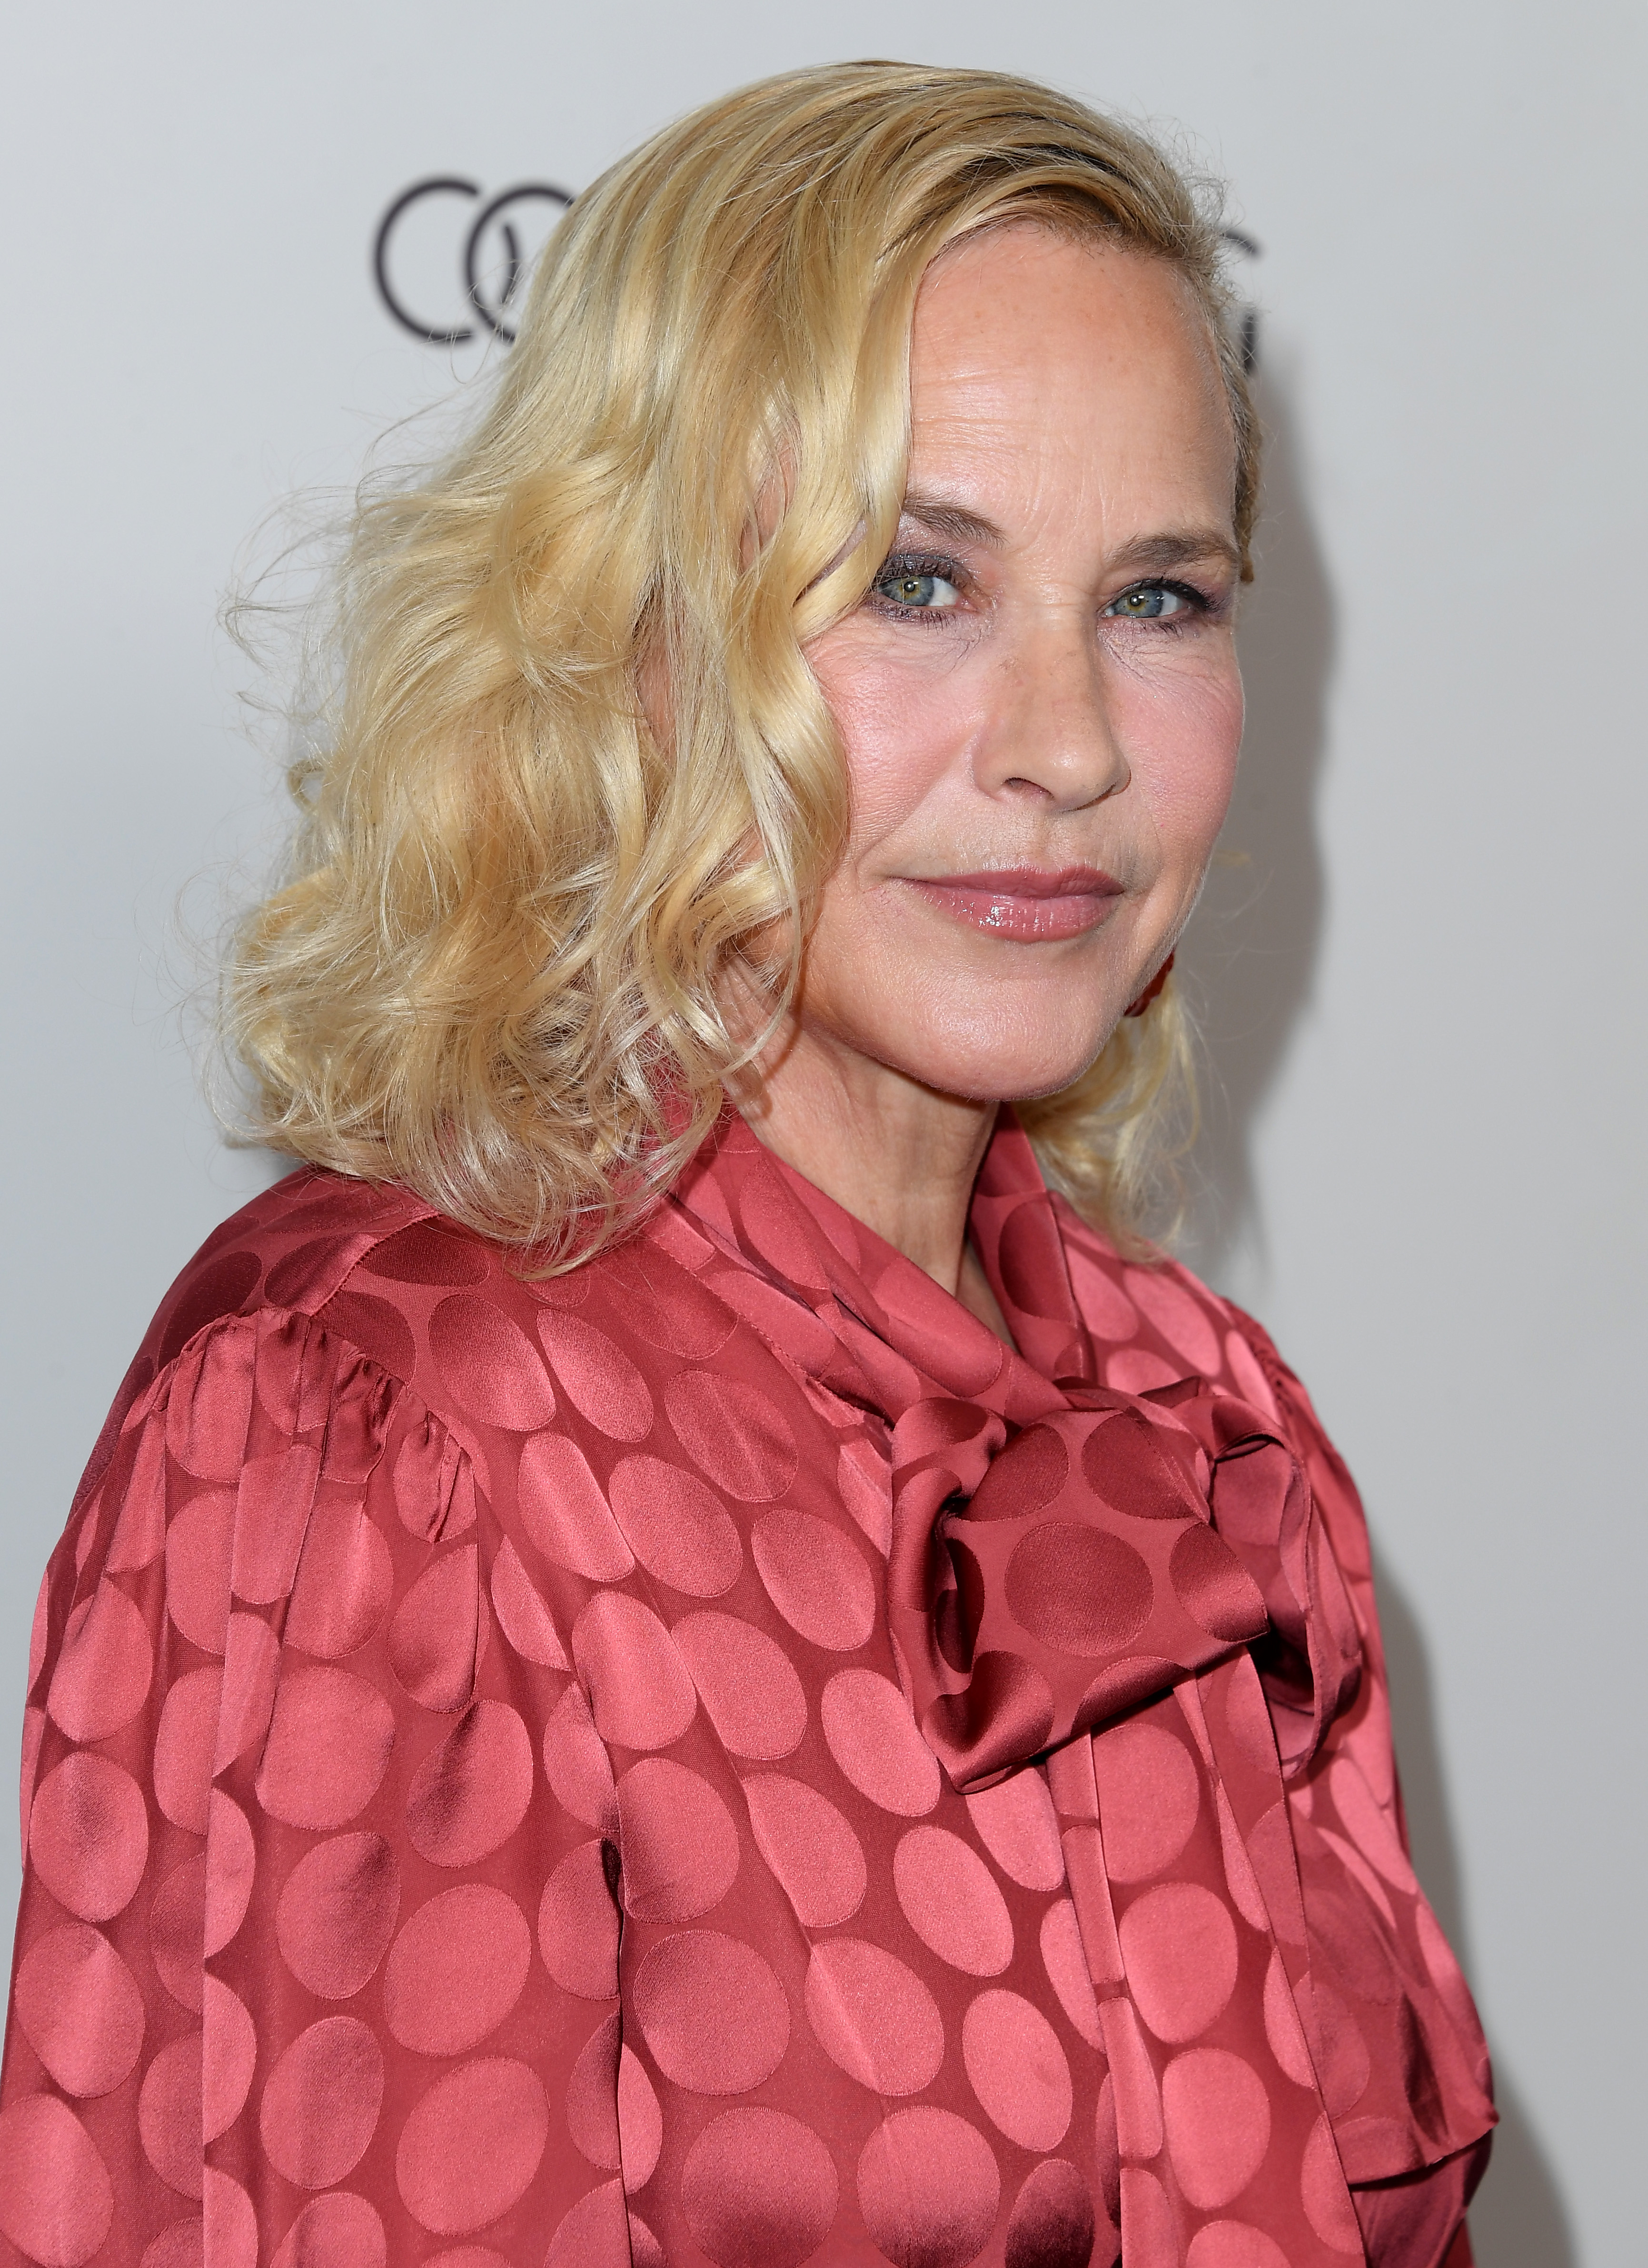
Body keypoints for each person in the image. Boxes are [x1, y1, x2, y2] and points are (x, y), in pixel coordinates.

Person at [0, 61, 1495, 2268]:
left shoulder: (1217, 1428)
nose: (1067, 742)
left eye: (1158, 597)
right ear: (632, 643)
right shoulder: (381, 1421)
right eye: (914, 580)